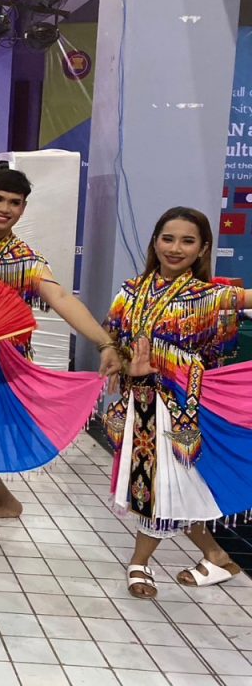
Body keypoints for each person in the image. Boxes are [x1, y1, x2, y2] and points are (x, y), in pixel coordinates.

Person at [0, 167, 121, 539]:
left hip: (2, 364)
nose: (4, 208)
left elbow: (61, 297)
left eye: (14, 203)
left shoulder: (25, 259)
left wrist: (104, 342)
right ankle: (5, 502)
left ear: (23, 208)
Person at [104, 207, 252, 599]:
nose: (175, 248)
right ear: (155, 242)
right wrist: (119, 360)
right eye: (168, 238)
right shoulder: (129, 292)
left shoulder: (209, 296)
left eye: (188, 241)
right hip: (139, 403)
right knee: (177, 485)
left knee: (164, 484)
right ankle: (217, 556)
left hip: (183, 408)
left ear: (203, 249)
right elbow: (112, 339)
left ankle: (139, 561)